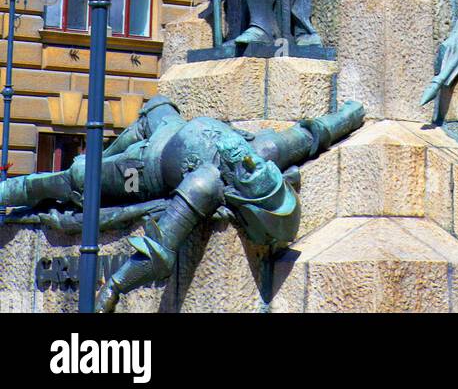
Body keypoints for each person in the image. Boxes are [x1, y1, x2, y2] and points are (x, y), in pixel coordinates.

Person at [0, 95, 364, 311]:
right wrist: (352, 114)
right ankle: (96, 157)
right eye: (259, 168)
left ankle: (8, 192)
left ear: (240, 195)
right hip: (165, 126)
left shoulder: (206, 184)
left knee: (73, 180)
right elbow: (312, 134)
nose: (249, 163)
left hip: (141, 171)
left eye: (250, 175)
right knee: (157, 104)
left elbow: (160, 250)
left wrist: (114, 287)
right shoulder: (264, 152)